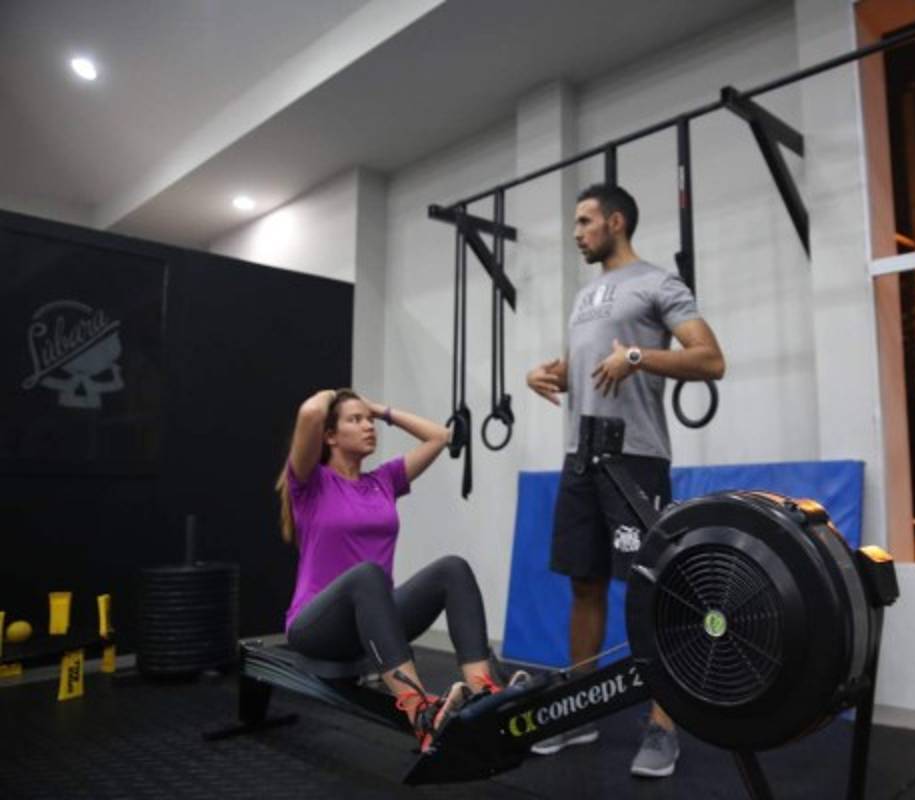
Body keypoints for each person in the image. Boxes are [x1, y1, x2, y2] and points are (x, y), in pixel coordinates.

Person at [525, 184, 726, 777]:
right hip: (580, 457)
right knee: (584, 584)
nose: (577, 232)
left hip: (634, 459)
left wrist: (638, 357)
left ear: (616, 222)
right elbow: (591, 370)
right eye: (575, 222)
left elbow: (710, 359)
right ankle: (577, 713)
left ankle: (664, 725)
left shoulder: (659, 284)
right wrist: (551, 374)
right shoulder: (584, 296)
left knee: (652, 590)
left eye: (585, 221)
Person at [276, 388, 521, 752]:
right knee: (368, 575)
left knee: (452, 569)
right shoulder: (311, 483)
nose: (368, 426)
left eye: (369, 421)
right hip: (317, 628)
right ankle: (420, 714)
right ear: (330, 436)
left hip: (375, 622)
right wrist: (337, 395)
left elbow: (440, 436)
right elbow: (310, 411)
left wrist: (380, 410)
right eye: (355, 420)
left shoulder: (383, 481)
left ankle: (485, 692)